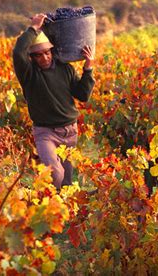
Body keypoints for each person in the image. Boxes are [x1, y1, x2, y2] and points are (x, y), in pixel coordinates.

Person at [13, 13, 95, 190]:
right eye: (38, 55)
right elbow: (18, 52)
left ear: (52, 51)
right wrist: (34, 28)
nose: (44, 58)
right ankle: (48, 206)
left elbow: (82, 95)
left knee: (67, 183)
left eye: (47, 52)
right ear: (31, 58)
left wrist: (88, 68)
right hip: (46, 133)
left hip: (70, 131)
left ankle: (62, 214)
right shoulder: (29, 74)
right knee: (55, 173)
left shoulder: (65, 69)